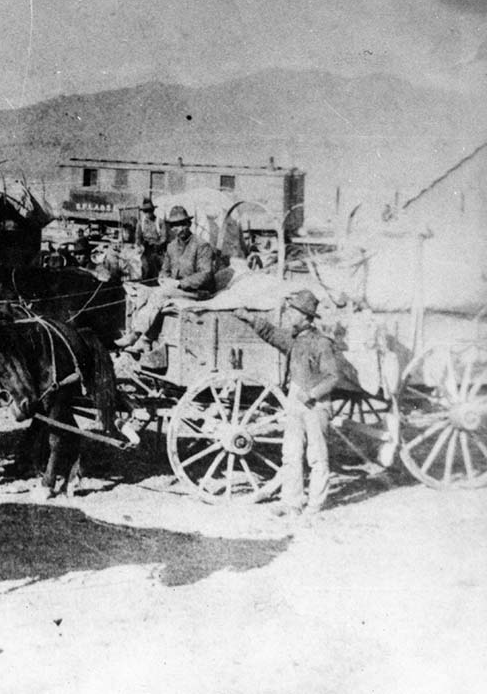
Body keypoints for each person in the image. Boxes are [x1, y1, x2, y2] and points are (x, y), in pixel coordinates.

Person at [234, 290, 350, 517]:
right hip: (296, 402)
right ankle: (291, 503)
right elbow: (270, 333)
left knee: (317, 456)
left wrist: (313, 394)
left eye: (293, 312)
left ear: (305, 317)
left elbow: (333, 377)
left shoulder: (321, 344)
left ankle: (315, 505)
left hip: (315, 406)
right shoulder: (295, 340)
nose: (289, 315)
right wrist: (249, 318)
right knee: (291, 454)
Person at [115, 205, 215, 352]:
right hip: (174, 289)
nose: (178, 229)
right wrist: (164, 278)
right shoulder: (171, 247)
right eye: (174, 226)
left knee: (160, 294)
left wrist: (179, 283)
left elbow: (205, 274)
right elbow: (164, 270)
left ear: (189, 224)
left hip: (197, 293)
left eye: (181, 224)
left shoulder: (201, 245)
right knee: (143, 291)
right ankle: (146, 340)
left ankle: (137, 335)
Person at [135, 197, 165, 281]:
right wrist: (139, 245)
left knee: (160, 269)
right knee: (145, 267)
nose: (148, 213)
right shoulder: (141, 222)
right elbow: (137, 237)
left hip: (157, 250)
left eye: (150, 210)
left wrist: (158, 244)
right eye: (145, 211)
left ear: (153, 210)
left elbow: (164, 238)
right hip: (145, 250)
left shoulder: (159, 222)